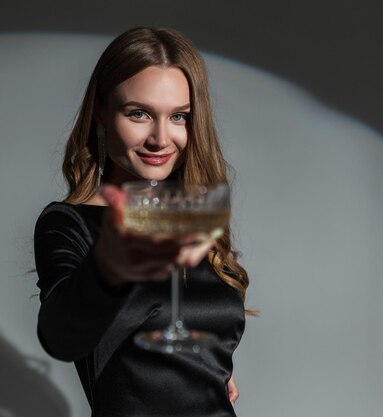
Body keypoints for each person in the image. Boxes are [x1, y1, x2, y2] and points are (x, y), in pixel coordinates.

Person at [34, 27, 252, 416]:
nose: (160, 138)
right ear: (100, 110)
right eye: (139, 113)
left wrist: (202, 368)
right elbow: (61, 336)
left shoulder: (193, 212)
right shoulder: (69, 223)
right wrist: (107, 269)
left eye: (179, 117)